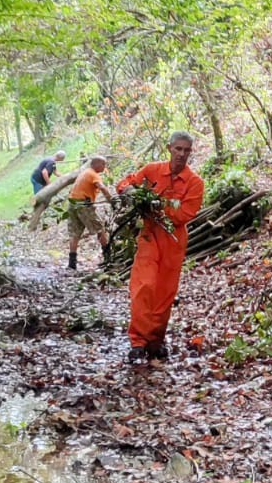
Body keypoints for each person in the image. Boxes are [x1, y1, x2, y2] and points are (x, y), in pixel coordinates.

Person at [115, 132, 204, 363]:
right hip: (149, 235)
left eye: (186, 150)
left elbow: (185, 213)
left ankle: (155, 341)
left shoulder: (194, 182)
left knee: (164, 293)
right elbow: (125, 183)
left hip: (173, 240)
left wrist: (159, 206)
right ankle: (137, 341)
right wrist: (130, 192)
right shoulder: (152, 170)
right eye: (178, 149)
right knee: (144, 286)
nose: (182, 154)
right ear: (169, 148)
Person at [66, 155, 115, 271]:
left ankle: (72, 264)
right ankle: (108, 257)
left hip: (72, 203)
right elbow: (102, 187)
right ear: (96, 164)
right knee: (100, 229)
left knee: (74, 233)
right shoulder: (93, 174)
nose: (104, 166)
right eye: (103, 164)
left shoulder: (85, 172)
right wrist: (111, 200)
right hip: (83, 204)